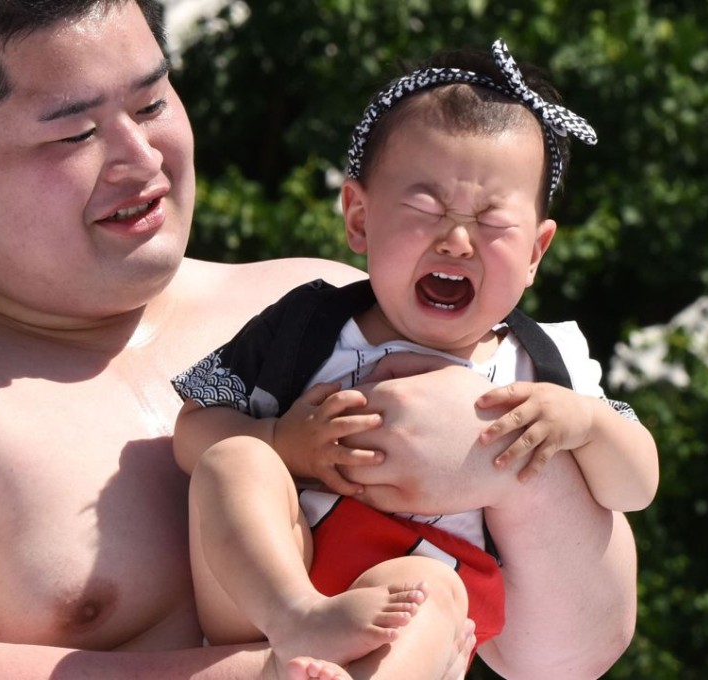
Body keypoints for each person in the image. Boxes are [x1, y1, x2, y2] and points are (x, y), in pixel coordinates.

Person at [0, 1, 637, 678]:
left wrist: (511, 455)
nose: (142, 157)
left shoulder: (326, 306)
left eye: (154, 101)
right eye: (76, 130)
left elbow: (568, 657)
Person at [172, 39, 659, 679]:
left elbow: (637, 485)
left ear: (538, 251)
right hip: (275, 576)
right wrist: (282, 440)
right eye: (425, 208)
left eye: (492, 222)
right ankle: (299, 623)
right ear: (359, 218)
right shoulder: (311, 323)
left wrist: (587, 426)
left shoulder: (546, 360)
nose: (456, 240)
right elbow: (192, 431)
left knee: (434, 593)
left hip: (421, 572)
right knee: (234, 460)